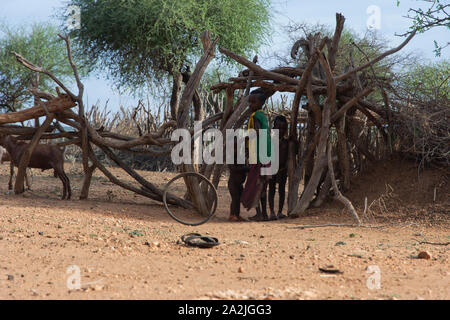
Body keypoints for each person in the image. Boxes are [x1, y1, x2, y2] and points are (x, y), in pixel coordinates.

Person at [241, 88, 271, 221]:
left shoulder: (255, 117)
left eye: (253, 102)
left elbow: (258, 133)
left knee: (256, 186)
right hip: (266, 155)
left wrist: (246, 137)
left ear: (260, 104)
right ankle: (264, 213)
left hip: (259, 156)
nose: (250, 105)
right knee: (262, 187)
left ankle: (260, 214)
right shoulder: (263, 116)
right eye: (250, 102)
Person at [268, 115, 288, 220]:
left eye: (283, 128)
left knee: (281, 190)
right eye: (278, 128)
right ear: (273, 128)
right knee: (271, 190)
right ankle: (271, 212)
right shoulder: (270, 141)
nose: (280, 130)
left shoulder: (287, 142)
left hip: (283, 170)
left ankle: (280, 212)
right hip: (272, 169)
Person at [227, 138, 249, 222]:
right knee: (235, 199)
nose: (236, 150)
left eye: (238, 147)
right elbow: (234, 169)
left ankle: (237, 214)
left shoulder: (240, 157)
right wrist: (246, 168)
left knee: (239, 199)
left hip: (239, 184)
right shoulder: (230, 157)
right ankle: (232, 215)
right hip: (233, 183)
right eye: (234, 148)